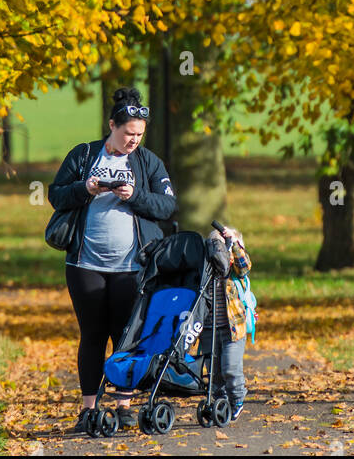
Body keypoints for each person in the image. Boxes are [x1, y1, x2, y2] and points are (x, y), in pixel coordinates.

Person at [47, 86, 176, 433]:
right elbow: (55, 195)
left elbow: (166, 206)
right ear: (112, 126)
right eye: (128, 133)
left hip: (131, 267)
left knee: (125, 335)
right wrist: (85, 189)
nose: (134, 140)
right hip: (85, 264)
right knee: (92, 334)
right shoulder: (84, 155)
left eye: (139, 135)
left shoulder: (148, 162)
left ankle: (124, 405)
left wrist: (135, 196)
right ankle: (89, 409)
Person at [188, 224, 252, 421]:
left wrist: (233, 244)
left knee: (231, 369)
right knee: (214, 373)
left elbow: (244, 266)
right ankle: (220, 402)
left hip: (233, 329)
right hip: (208, 328)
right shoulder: (206, 271)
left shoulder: (233, 269)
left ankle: (237, 398)